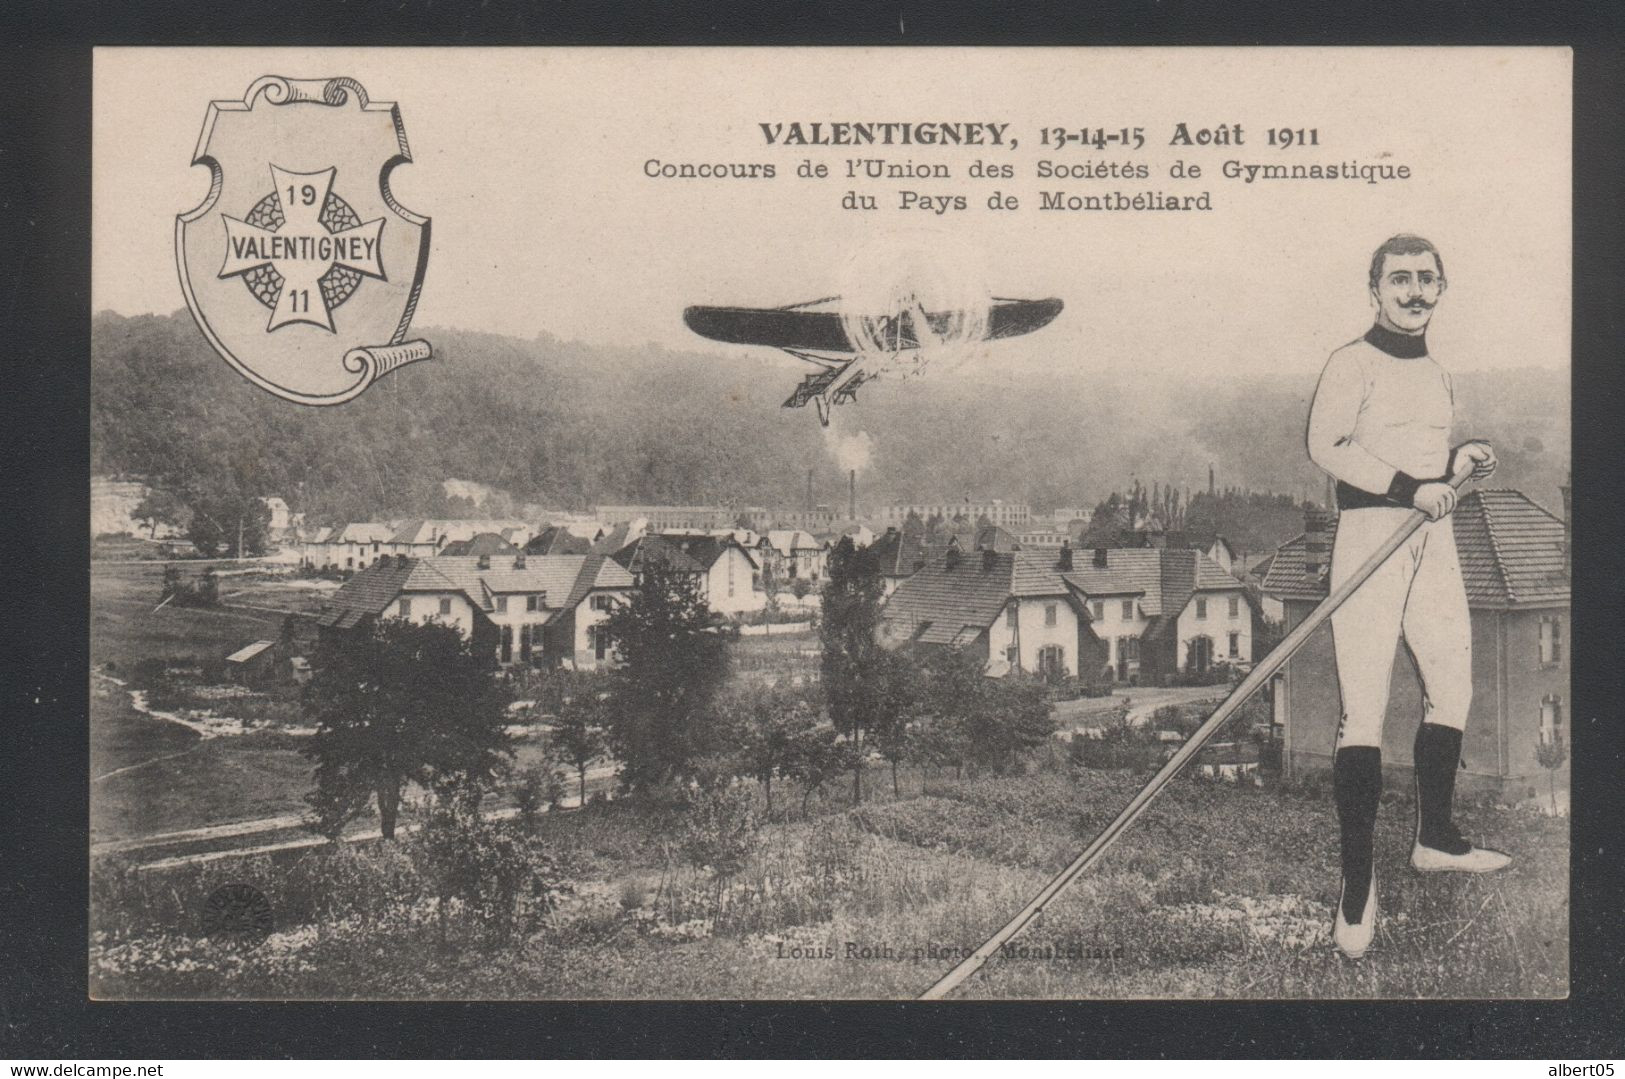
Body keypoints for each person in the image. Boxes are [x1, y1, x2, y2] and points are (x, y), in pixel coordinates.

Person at [1306, 234, 1510, 961]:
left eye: (1427, 278)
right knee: (1362, 709)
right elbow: (1326, 446)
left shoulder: (1437, 372)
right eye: (1399, 278)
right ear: (1374, 288)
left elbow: (1429, 464)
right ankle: (1356, 888)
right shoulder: (1348, 362)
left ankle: (1435, 839)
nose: (1414, 290)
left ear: (1441, 287)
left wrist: (1457, 464)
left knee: (1449, 687)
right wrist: (1406, 489)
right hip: (1369, 536)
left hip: (1432, 539)